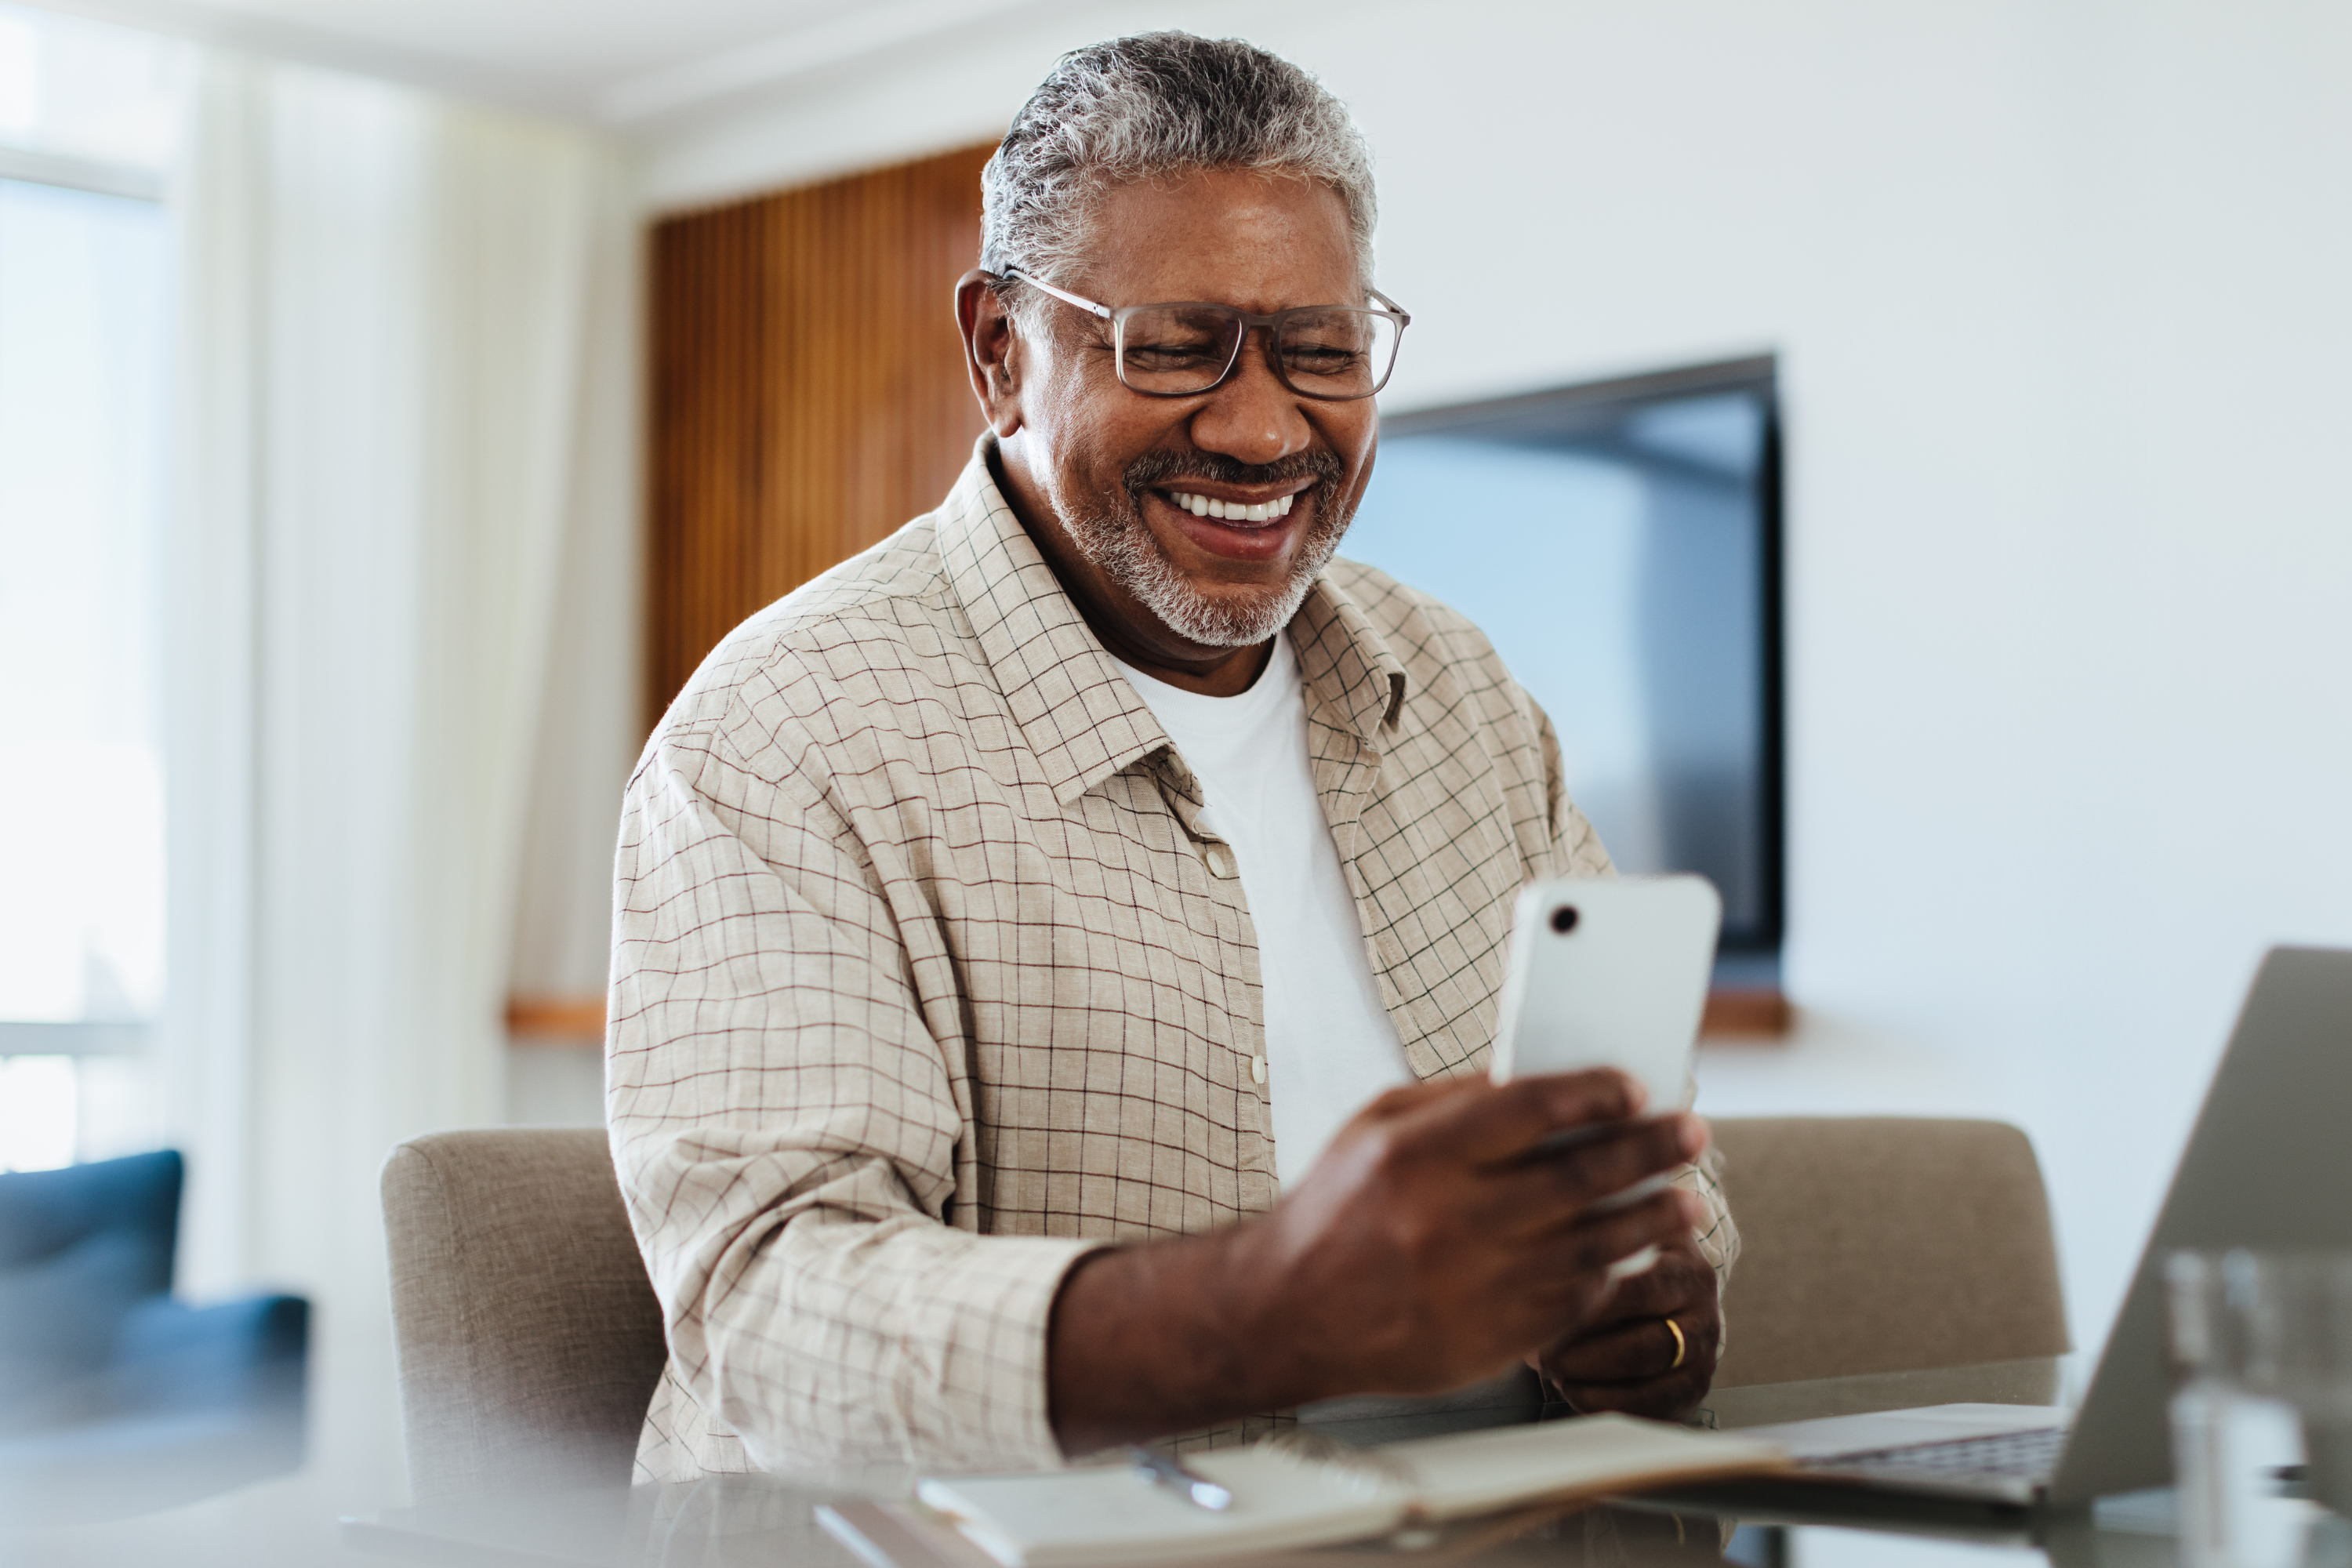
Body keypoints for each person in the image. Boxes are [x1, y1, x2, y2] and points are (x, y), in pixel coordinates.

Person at [608, 31, 1736, 1479]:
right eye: (1174, 346)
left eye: (1322, 351)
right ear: (999, 353)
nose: (1265, 428)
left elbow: (1682, 1182)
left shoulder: (1459, 689)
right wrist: (1266, 1313)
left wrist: (1652, 1307)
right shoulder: (783, 735)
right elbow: (771, 1315)